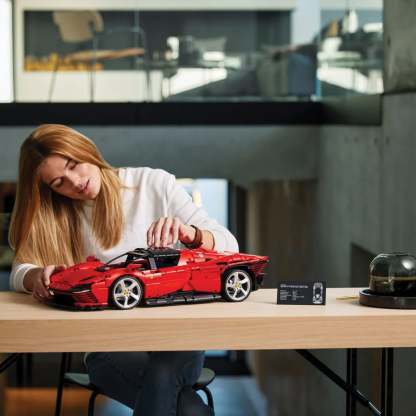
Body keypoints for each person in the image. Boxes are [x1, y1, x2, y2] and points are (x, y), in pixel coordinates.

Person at [8, 124, 238, 416]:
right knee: (185, 405)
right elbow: (20, 271)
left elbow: (230, 246)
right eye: (59, 182)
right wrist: (35, 276)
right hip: (107, 345)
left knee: (167, 378)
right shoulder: (58, 216)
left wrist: (192, 234)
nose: (75, 182)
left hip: (178, 335)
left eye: (74, 165)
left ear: (85, 150)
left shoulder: (152, 184)